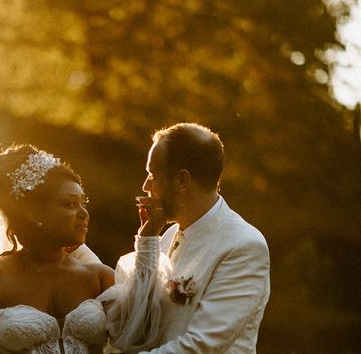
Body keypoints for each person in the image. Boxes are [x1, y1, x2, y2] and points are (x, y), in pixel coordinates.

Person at [103, 123, 270, 353]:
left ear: (182, 180)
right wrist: (147, 241)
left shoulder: (243, 245)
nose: (145, 186)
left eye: (152, 175)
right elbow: (142, 322)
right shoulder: (169, 234)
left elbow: (201, 345)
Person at [0, 144, 115, 354]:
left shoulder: (99, 277)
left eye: (82, 203)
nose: (84, 213)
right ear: (33, 213)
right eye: (69, 204)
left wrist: (148, 235)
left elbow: (144, 337)